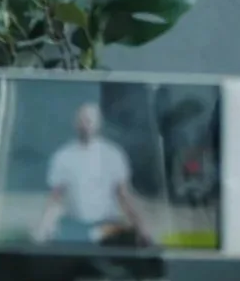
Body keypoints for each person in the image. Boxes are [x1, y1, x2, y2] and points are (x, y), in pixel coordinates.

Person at [32, 101, 151, 244]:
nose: (86, 125)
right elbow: (55, 197)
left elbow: (124, 195)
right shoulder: (63, 156)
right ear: (76, 123)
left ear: (98, 123)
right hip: (74, 225)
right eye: (82, 120)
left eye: (89, 120)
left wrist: (141, 226)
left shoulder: (113, 154)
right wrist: (43, 227)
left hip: (107, 225)